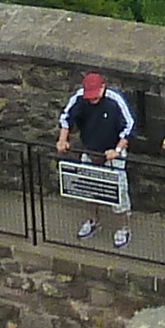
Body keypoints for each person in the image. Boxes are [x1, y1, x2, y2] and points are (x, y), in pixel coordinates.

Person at [58, 70, 134, 250]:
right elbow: (66, 118)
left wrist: (117, 150)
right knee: (88, 190)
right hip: (90, 151)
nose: (92, 100)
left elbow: (129, 127)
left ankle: (123, 227)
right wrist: (62, 139)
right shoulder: (79, 98)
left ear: (103, 88)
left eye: (95, 96)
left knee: (119, 193)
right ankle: (92, 220)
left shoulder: (115, 101)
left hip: (112, 155)